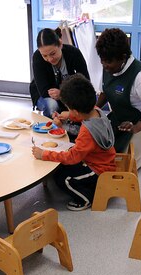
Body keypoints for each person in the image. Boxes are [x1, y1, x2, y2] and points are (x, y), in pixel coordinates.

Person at [31, 75, 115, 211]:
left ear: (76, 110)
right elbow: (82, 114)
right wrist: (68, 115)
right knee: (59, 169)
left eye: (69, 109)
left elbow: (73, 157)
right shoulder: (97, 111)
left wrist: (44, 154)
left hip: (98, 170)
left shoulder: (87, 132)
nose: (69, 112)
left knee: (64, 179)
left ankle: (86, 198)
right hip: (101, 160)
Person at [95, 28, 141, 169]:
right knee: (103, 154)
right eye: (102, 61)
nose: (104, 65)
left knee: (123, 166)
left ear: (123, 57)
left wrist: (136, 128)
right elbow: (104, 92)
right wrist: (92, 110)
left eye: (108, 61)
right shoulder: (108, 67)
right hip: (121, 118)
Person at [31, 28, 90, 119]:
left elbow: (85, 83)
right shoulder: (37, 57)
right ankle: (52, 129)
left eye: (53, 53)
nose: (50, 59)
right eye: (45, 56)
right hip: (44, 95)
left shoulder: (74, 53)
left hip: (70, 95)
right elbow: (44, 91)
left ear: (60, 44)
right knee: (52, 106)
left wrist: (63, 94)